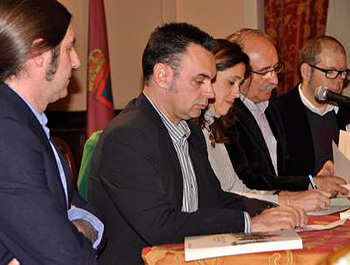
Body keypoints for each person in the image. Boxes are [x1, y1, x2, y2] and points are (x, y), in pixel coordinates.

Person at [88, 23, 307, 265]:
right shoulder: (127, 136)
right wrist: (249, 223)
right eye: (199, 80)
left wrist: (269, 210)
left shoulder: (190, 130)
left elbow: (215, 199)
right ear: (162, 75)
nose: (209, 93)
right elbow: (160, 225)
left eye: (211, 80)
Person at [0, 0, 104, 264]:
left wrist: (79, 226)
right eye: (69, 48)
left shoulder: (26, 121)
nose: (78, 61)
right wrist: (77, 227)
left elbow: (87, 212)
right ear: (38, 54)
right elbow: (67, 256)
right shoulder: (8, 131)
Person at [199, 38, 330, 212]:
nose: (237, 93)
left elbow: (239, 188)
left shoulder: (217, 122)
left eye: (276, 69)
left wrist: (310, 183)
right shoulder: (219, 119)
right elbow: (241, 185)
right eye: (231, 82)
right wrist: (288, 200)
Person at [225, 29, 347, 196]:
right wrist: (311, 182)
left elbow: (282, 173)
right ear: (239, 72)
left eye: (276, 69)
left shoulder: (270, 109)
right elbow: (249, 181)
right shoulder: (227, 116)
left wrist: (317, 178)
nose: (275, 80)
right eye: (264, 72)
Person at [274, 36, 350, 176]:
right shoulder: (278, 112)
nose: (339, 81)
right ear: (306, 72)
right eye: (330, 72)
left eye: (343, 72)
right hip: (303, 196)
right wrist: (314, 182)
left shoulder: (346, 112)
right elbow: (278, 175)